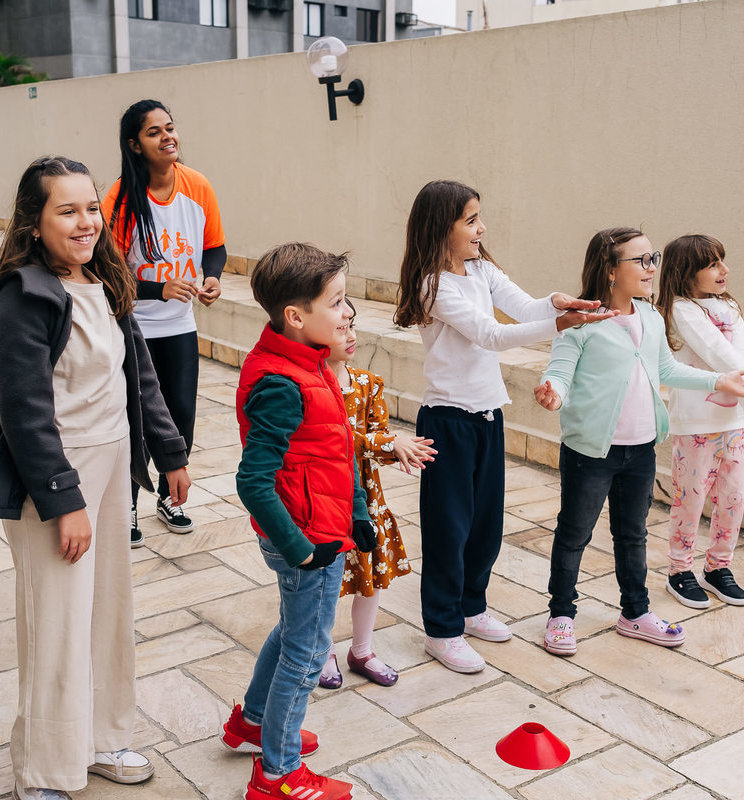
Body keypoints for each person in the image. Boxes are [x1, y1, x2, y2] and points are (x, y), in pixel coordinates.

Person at [0, 156, 191, 800]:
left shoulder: (105, 279)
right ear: (33, 222)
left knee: (107, 612)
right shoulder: (22, 297)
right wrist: (64, 502)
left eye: (91, 207)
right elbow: (25, 412)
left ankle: (101, 739)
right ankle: (44, 768)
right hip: (55, 479)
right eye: (66, 210)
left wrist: (170, 452)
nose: (85, 221)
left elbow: (137, 375)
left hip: (113, 465)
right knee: (58, 624)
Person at [392, 179, 611, 674]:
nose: (481, 228)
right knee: (449, 530)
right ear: (441, 226)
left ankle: (472, 608)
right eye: (470, 220)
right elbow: (490, 334)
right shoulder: (433, 284)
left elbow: (526, 308)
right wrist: (560, 325)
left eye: (479, 218)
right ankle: (441, 630)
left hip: (488, 415)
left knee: (486, 526)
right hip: (447, 421)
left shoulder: (480, 269)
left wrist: (558, 303)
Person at [534, 227, 744, 657]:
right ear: (610, 270)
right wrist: (553, 392)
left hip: (640, 448)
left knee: (632, 535)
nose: (651, 268)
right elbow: (559, 372)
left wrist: (720, 380)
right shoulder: (581, 321)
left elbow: (667, 370)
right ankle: (561, 615)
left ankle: (635, 612)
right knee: (574, 534)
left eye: (652, 258)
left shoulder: (651, 317)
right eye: (640, 260)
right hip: (591, 451)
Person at [220, 242, 376, 800]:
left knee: (294, 631)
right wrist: (301, 549)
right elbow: (253, 481)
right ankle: (277, 774)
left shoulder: (310, 363)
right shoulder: (282, 384)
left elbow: (335, 449)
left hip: (324, 528)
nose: (347, 313)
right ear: (295, 316)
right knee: (308, 654)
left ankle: (254, 722)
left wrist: (358, 513)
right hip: (308, 541)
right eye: (336, 302)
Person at [101, 99, 226, 541]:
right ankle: (128, 505)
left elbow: (214, 247)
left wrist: (211, 277)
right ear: (135, 145)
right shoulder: (120, 198)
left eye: (169, 127)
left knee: (181, 416)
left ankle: (169, 498)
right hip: (134, 328)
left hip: (179, 327)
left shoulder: (197, 185)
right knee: (135, 418)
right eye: (154, 132)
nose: (167, 136)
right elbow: (108, 273)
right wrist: (159, 289)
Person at [657, 234, 744, 608]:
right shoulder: (681, 309)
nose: (724, 270)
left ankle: (717, 568)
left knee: (732, 499)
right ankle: (679, 571)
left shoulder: (729, 307)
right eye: (712, 264)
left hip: (732, 424)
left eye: (722, 261)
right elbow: (718, 353)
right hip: (694, 425)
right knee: (690, 502)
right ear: (687, 272)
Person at [319, 299, 436, 689]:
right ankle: (322, 652)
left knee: (369, 575)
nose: (351, 335)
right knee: (326, 584)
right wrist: (386, 443)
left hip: (366, 499)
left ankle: (362, 650)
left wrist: (398, 449)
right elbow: (334, 439)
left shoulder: (368, 384)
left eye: (352, 325)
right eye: (341, 328)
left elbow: (375, 441)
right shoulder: (310, 386)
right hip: (325, 499)